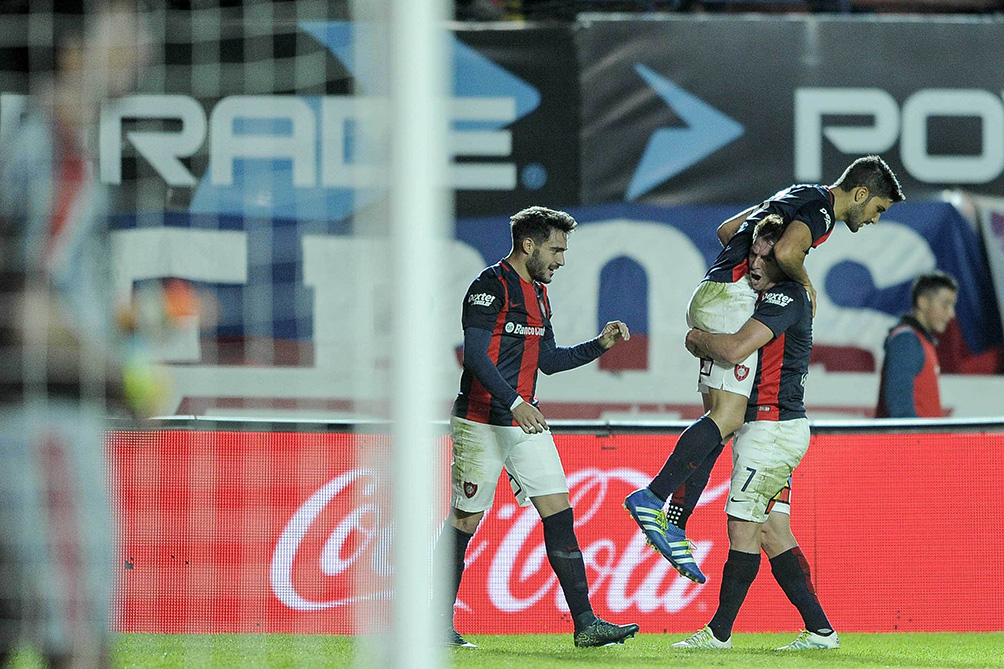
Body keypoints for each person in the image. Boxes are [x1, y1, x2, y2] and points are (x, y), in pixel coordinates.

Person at [625, 156, 905, 584]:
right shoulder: (822, 210)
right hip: (731, 301)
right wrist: (804, 285)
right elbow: (789, 250)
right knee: (729, 417)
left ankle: (676, 520)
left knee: (718, 425)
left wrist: (741, 267)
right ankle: (652, 497)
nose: (874, 220)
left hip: (714, 292)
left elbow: (726, 231)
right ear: (862, 193)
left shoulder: (792, 194)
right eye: (878, 210)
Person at [0, 2, 151, 667]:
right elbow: (27, 311)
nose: (143, 40)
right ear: (71, 52)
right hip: (42, 428)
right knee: (84, 650)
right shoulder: (56, 152)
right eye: (123, 26)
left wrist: (129, 322)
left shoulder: (31, 139)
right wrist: (121, 374)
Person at [434, 206, 640, 648]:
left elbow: (547, 359)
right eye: (556, 249)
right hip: (480, 420)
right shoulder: (489, 286)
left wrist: (598, 345)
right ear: (528, 244)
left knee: (559, 513)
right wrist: (514, 401)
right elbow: (474, 355)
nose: (561, 260)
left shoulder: (539, 295)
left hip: (522, 419)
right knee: (466, 518)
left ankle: (586, 624)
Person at [672, 215, 838, 651]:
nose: (756, 263)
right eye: (753, 254)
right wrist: (775, 209)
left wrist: (695, 337)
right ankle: (821, 631)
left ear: (788, 260)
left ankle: (718, 634)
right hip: (769, 429)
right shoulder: (771, 290)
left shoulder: (787, 297)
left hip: (772, 430)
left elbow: (732, 348)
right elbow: (727, 231)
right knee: (772, 532)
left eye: (768, 256)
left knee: (741, 528)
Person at [876, 271, 958, 418]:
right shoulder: (906, 341)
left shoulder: (919, 340)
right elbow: (900, 408)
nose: (951, 314)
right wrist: (916, 440)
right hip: (913, 441)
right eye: (945, 305)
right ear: (923, 302)